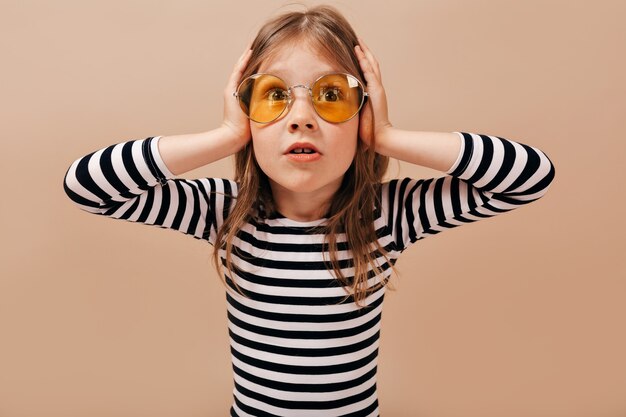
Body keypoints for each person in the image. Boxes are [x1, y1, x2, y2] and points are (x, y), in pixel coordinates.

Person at [62, 4, 556, 416]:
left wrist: (387, 135)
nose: (301, 118)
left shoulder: (386, 216)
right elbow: (87, 185)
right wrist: (226, 136)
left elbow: (530, 176)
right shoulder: (225, 213)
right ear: (247, 112)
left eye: (332, 96)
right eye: (275, 96)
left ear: (363, 113)